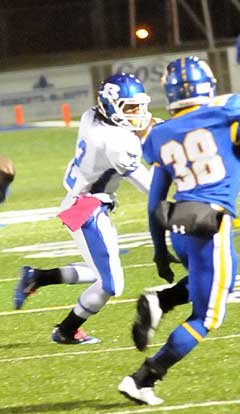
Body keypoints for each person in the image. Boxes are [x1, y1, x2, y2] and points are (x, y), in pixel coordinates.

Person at [118, 45, 240, 405]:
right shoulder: (224, 116)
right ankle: (144, 377)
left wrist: (160, 250)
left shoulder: (161, 134)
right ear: (206, 85)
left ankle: (162, 300)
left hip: (180, 224)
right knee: (207, 316)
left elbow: (155, 201)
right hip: (212, 224)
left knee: (220, 282)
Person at [13, 73, 155, 345]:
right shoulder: (117, 142)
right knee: (111, 285)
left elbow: (122, 133)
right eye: (131, 107)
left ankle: (37, 277)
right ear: (112, 106)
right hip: (87, 208)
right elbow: (148, 186)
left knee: (100, 272)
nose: (138, 113)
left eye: (138, 106)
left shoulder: (91, 116)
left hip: (80, 200)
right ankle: (66, 331)